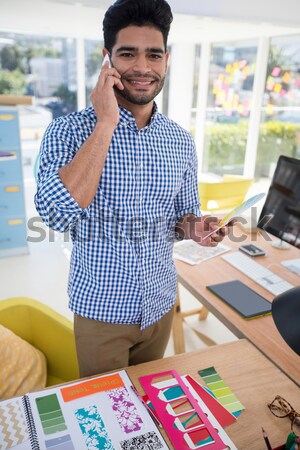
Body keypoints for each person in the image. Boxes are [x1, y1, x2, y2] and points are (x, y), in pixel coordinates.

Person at [35, 0, 229, 378]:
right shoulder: (68, 131)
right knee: (108, 422)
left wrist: (197, 227)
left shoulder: (179, 140)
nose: (143, 67)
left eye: (153, 55)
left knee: (155, 412)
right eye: (128, 54)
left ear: (166, 60)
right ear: (107, 59)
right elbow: (56, 215)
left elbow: (181, 216)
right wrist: (105, 122)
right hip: (102, 315)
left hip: (160, 305)